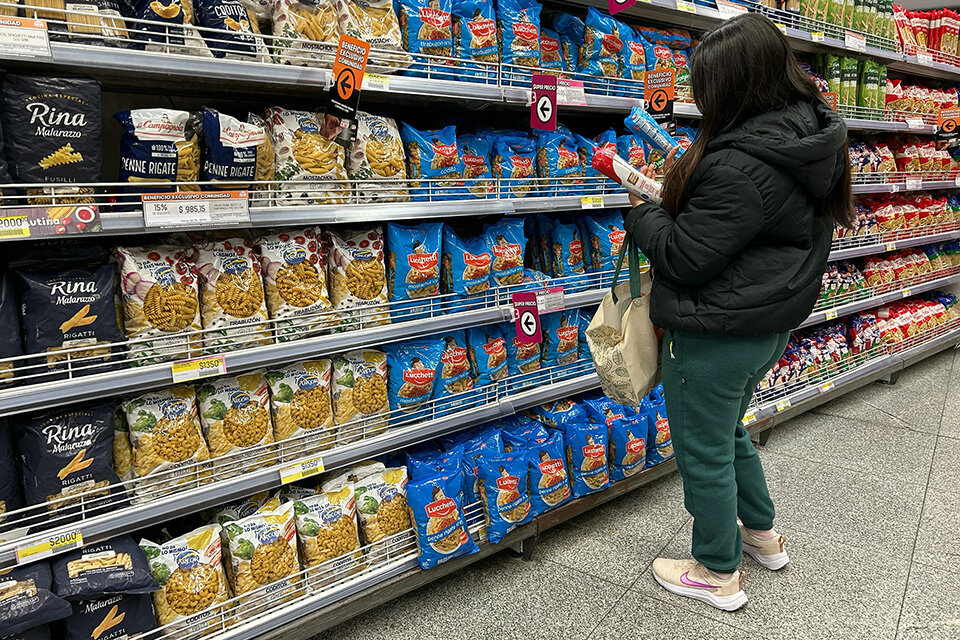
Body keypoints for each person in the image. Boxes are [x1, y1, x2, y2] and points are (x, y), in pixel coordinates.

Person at [624, 13, 853, 612]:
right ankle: (762, 535)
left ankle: (715, 569)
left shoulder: (737, 163)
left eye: (706, 84)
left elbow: (683, 255)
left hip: (715, 332)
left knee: (702, 448)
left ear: (734, 88)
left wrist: (638, 210)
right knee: (727, 433)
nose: (699, 96)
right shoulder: (807, 138)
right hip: (763, 325)